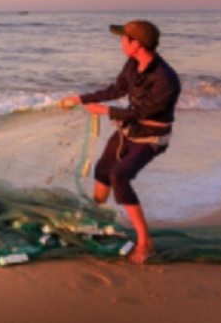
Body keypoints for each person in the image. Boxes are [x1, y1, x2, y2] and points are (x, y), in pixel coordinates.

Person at [60, 20, 181, 264]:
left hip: (152, 136)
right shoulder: (133, 63)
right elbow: (116, 90)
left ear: (136, 44)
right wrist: (80, 98)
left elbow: (143, 113)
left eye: (123, 39)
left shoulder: (166, 78)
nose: (120, 43)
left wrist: (106, 112)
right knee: (103, 169)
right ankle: (96, 219)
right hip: (129, 130)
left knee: (120, 175)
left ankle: (145, 242)